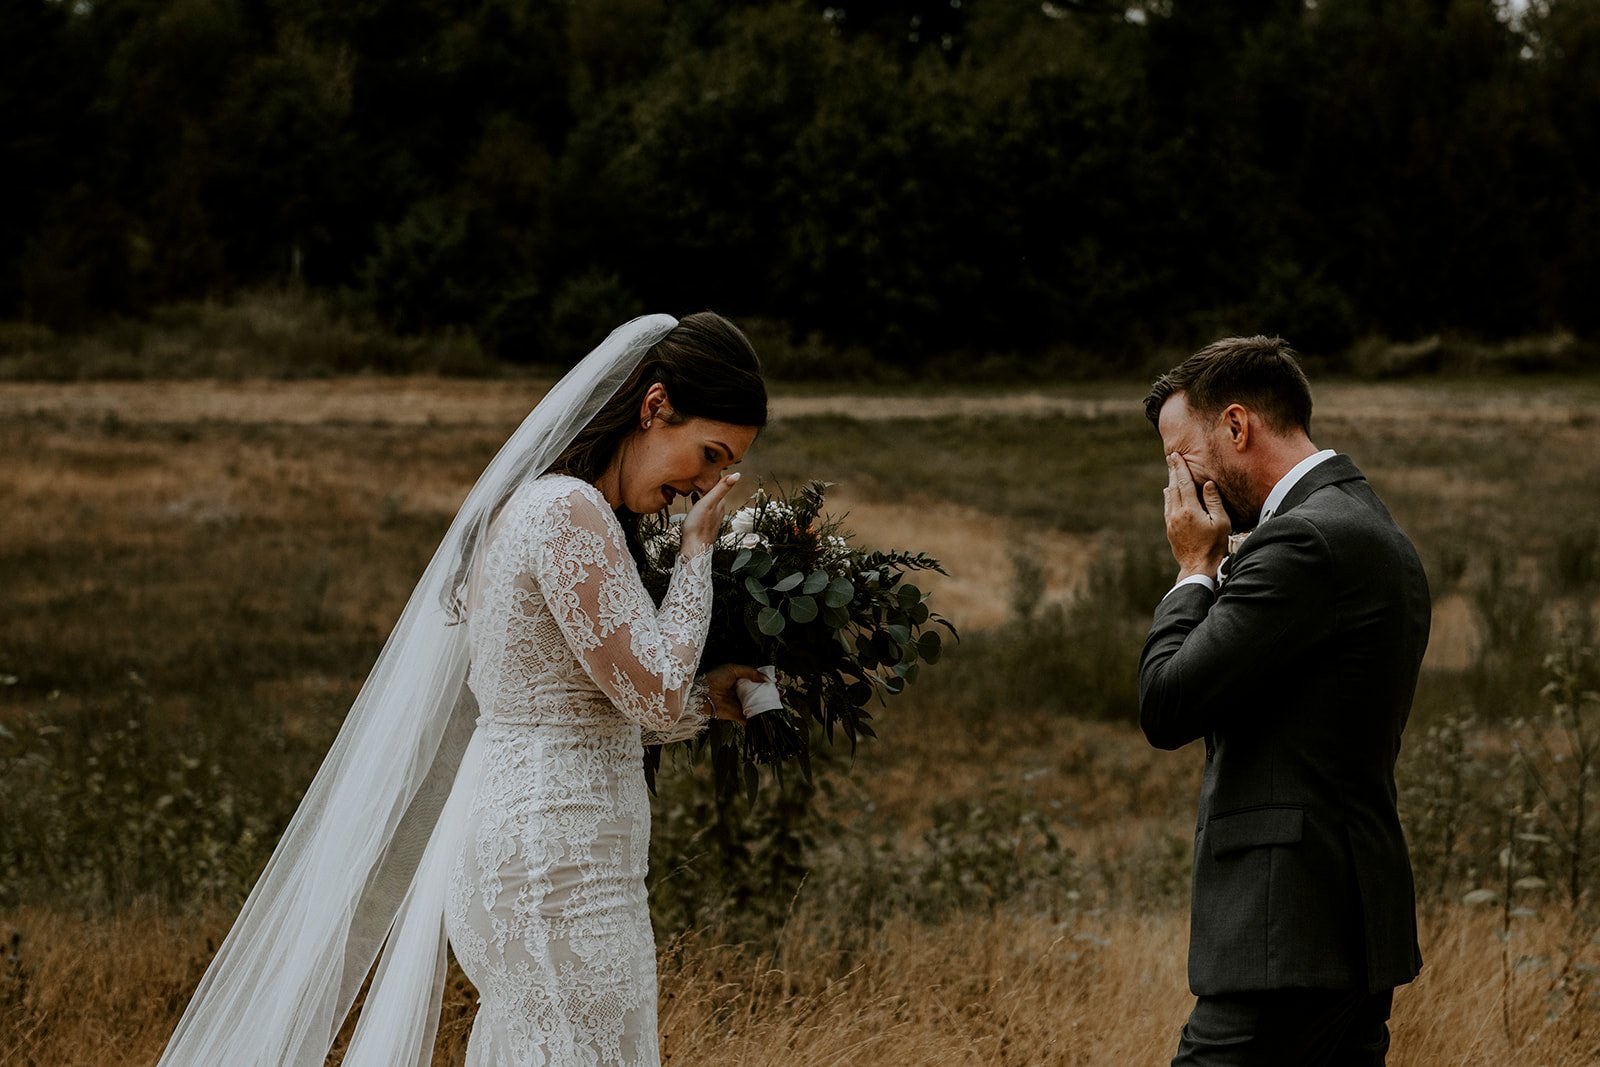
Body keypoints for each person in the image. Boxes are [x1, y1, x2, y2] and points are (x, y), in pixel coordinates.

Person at [158, 312, 768, 1067]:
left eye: (724, 470)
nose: (705, 486)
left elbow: (582, 702)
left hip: (544, 852)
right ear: (653, 407)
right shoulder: (568, 512)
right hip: (556, 867)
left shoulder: (555, 510)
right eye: (709, 455)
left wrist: (711, 698)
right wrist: (698, 553)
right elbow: (647, 694)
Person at [1138, 336, 1431, 1066]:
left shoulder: (1303, 541)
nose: (1176, 483)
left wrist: (1195, 569)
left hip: (1283, 931)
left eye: (1181, 456)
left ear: (1238, 427)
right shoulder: (1367, 522)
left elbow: (1167, 702)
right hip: (1344, 929)